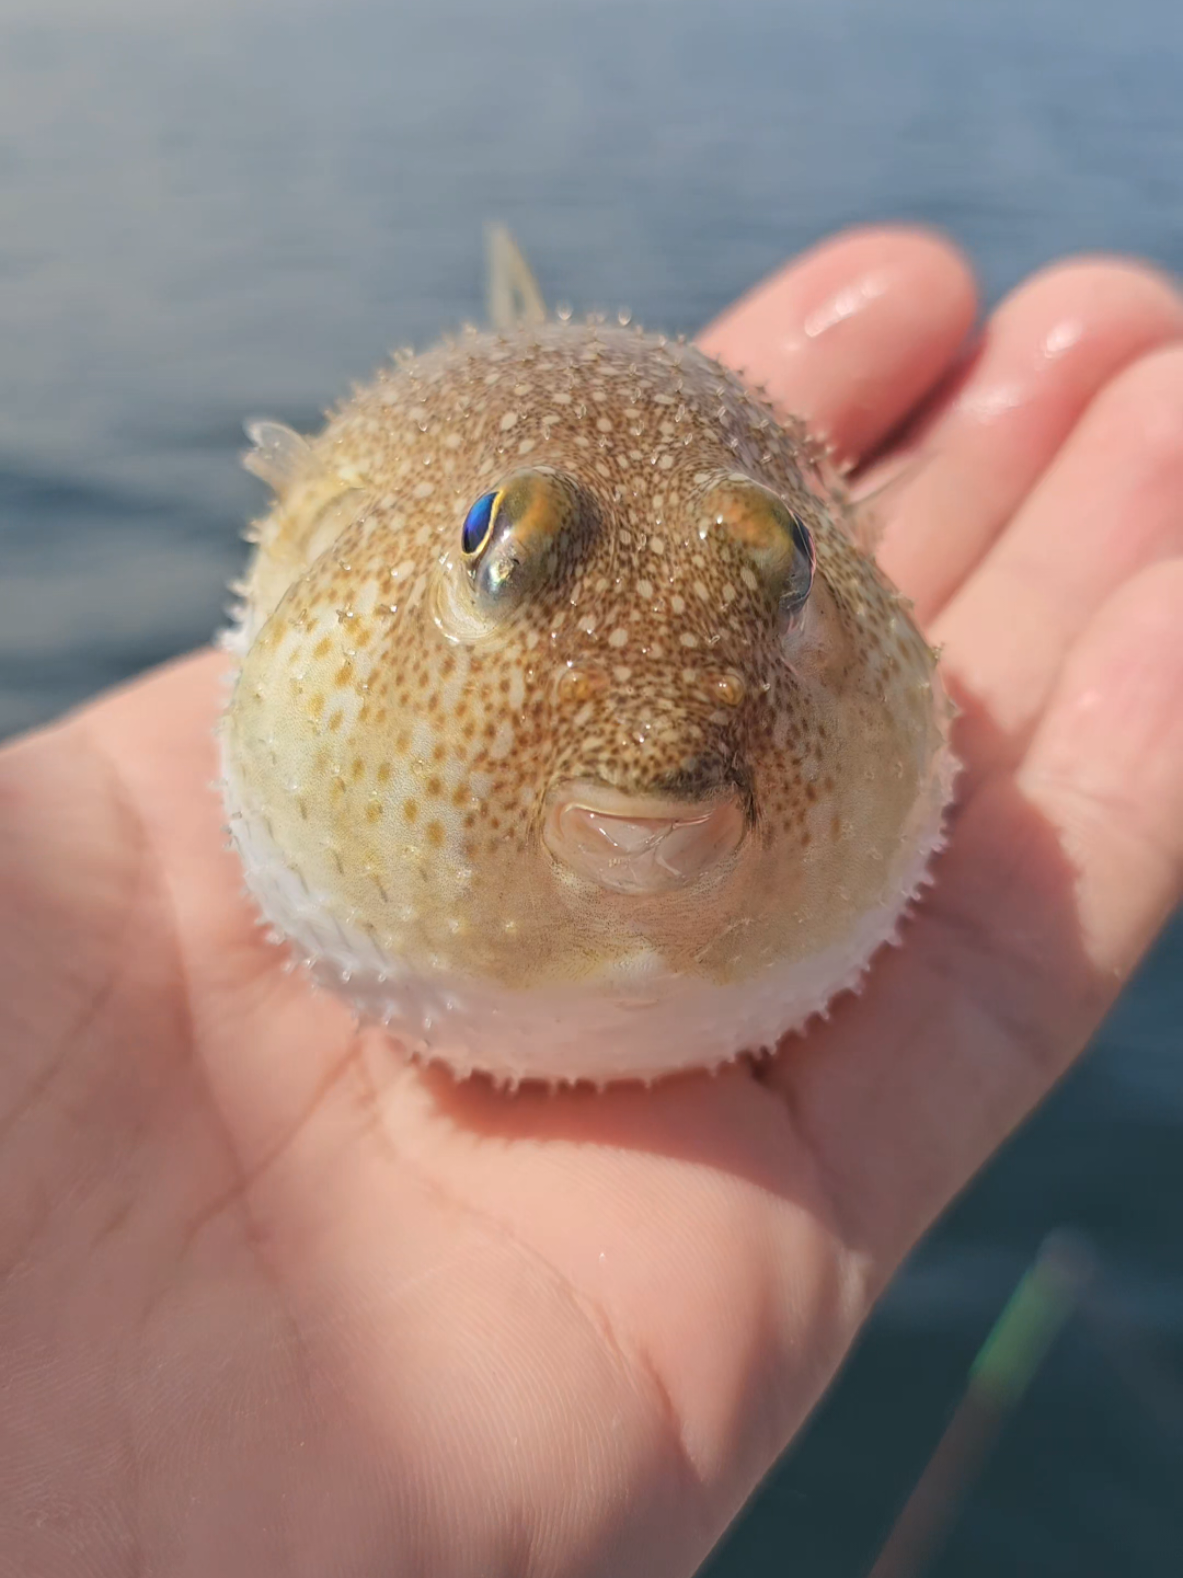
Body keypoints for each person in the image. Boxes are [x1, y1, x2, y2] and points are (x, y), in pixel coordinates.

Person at [1, 225, 1180, 1577]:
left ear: (833, 575)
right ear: (339, 537)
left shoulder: (832, 663)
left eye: (783, 573)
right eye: (502, 556)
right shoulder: (352, 583)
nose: (665, 757)